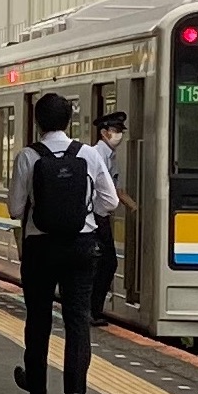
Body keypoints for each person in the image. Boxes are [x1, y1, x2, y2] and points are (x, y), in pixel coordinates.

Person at [7, 91, 118, 394]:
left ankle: (37, 384)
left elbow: (15, 208)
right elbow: (109, 202)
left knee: (38, 315)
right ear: (69, 121)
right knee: (78, 319)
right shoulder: (88, 155)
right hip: (81, 246)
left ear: (37, 121)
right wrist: (84, 211)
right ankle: (76, 393)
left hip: (40, 247)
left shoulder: (28, 156)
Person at [88, 111, 131, 324]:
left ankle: (94, 309)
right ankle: (91, 310)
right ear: (104, 132)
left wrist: (135, 208)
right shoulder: (97, 155)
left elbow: (118, 190)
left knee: (104, 263)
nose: (118, 135)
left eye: (120, 131)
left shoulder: (112, 156)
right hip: (95, 217)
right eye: (115, 131)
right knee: (105, 263)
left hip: (102, 217)